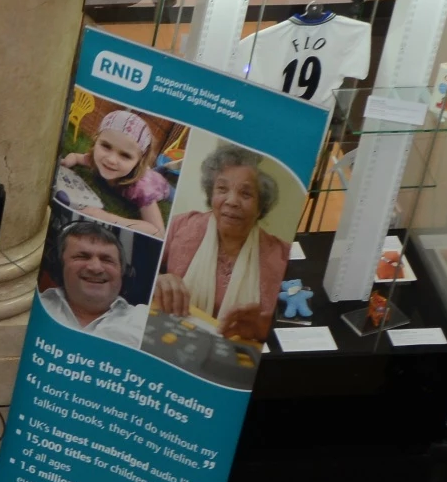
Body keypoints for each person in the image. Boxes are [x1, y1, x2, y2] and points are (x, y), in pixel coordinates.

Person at [149, 144, 290, 345]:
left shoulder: (282, 256)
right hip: (167, 342)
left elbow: (293, 327)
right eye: (222, 189)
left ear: (260, 207)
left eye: (246, 193)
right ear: (211, 195)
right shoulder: (180, 226)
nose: (232, 201)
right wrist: (157, 279)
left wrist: (263, 328)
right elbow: (135, 272)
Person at [34, 218, 149, 347]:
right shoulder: (35, 307)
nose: (96, 268)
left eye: (107, 260)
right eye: (82, 256)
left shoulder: (145, 319)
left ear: (124, 273)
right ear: (59, 268)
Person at [53, 106, 173, 226]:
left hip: (161, 186)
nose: (111, 160)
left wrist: (105, 217)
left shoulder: (142, 188)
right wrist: (66, 162)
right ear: (96, 140)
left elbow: (157, 231)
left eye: (125, 155)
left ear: (139, 161)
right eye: (106, 146)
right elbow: (75, 156)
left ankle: (163, 172)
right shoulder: (94, 160)